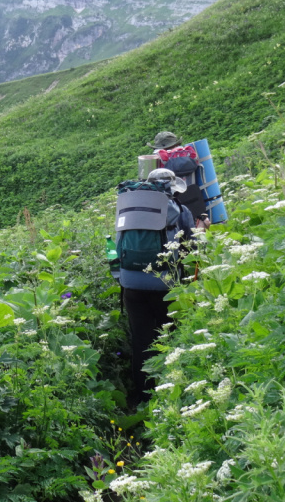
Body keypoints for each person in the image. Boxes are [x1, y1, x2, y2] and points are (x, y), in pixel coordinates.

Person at [117, 167, 196, 406]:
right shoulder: (181, 210)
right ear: (172, 188)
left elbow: (117, 245)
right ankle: (170, 391)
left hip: (131, 283)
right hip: (165, 283)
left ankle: (143, 395)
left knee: (141, 339)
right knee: (169, 335)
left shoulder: (128, 210)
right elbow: (191, 248)